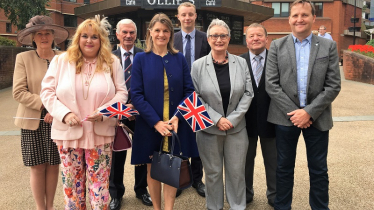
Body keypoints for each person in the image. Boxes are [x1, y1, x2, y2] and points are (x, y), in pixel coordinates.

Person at [40, 16, 127, 209]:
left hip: (101, 135)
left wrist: (105, 112)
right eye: (85, 36)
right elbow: (46, 92)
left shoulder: (112, 62)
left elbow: (122, 93)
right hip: (68, 134)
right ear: (78, 38)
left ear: (101, 40)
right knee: (72, 188)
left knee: (100, 189)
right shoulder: (60, 61)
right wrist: (64, 114)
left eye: (94, 36)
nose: (89, 40)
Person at [265, 1, 341, 209]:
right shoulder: (277, 46)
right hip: (284, 117)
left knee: (318, 169)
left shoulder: (328, 46)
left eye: (305, 15)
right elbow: (271, 85)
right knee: (283, 168)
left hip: (317, 118)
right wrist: (295, 113)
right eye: (295, 15)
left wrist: (308, 112)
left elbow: (333, 85)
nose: (300, 19)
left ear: (313, 18)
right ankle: (282, 206)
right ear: (289, 19)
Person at [130, 13, 198, 210]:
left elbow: (189, 91)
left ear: (171, 34)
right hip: (150, 124)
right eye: (157, 30)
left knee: (171, 166)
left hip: (176, 123)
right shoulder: (141, 59)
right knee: (153, 169)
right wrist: (155, 122)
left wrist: (178, 117)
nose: (161, 34)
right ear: (150, 32)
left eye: (166, 31)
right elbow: (136, 94)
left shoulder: (179, 59)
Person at [191, 18, 254, 210]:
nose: (219, 39)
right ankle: (214, 206)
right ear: (208, 39)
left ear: (228, 38)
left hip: (236, 129)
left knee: (236, 172)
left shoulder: (241, 63)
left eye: (223, 35)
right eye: (214, 36)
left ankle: (237, 206)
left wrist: (232, 119)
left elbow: (248, 93)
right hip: (209, 130)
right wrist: (217, 119)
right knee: (213, 173)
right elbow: (195, 97)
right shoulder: (198, 66)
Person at [13, 15, 68, 210]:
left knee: (53, 165)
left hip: (57, 120)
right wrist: (46, 106)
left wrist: (57, 110)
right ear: (33, 38)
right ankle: (40, 207)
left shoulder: (64, 58)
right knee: (37, 166)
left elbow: (69, 90)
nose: (44, 37)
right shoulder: (23, 58)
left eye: (47, 33)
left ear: (53, 36)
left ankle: (50, 206)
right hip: (32, 120)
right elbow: (18, 91)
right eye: (39, 34)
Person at [109, 19, 152, 210]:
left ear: (136, 35)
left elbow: (150, 85)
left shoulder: (146, 56)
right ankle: (116, 194)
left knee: (142, 152)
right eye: (124, 32)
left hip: (140, 112)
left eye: (132, 32)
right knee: (117, 154)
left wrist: (136, 105)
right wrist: (121, 107)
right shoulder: (108, 58)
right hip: (117, 113)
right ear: (117, 34)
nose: (128, 36)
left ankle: (141, 189)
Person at [173, 1, 210, 198]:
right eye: (183, 15)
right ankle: (179, 179)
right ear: (178, 17)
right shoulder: (172, 39)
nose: (187, 18)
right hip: (177, 99)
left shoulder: (206, 39)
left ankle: (197, 179)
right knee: (178, 140)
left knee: (197, 141)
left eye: (191, 14)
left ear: (196, 16)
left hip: (199, 98)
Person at [240, 23, 276, 207]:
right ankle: (245, 194)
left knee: (274, 162)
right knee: (245, 162)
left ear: (266, 39)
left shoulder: (276, 60)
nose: (255, 39)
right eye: (251, 36)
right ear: (246, 41)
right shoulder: (238, 61)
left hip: (273, 121)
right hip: (246, 123)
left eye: (259, 35)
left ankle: (275, 196)